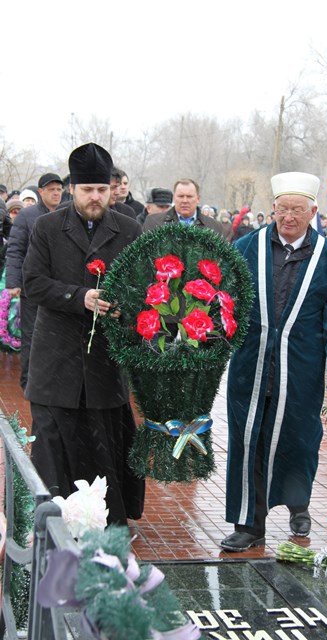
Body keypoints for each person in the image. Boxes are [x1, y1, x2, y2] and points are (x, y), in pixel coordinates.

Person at [221, 171, 327, 551]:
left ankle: (298, 504)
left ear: (313, 212)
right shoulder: (249, 247)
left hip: (301, 368)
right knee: (248, 442)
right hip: (251, 365)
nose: (290, 217)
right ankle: (248, 524)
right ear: (274, 210)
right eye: (283, 209)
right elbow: (224, 300)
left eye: (298, 210)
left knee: (299, 442)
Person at [22, 142, 144, 524]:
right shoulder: (46, 227)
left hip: (103, 364)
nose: (95, 197)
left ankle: (106, 527)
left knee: (102, 446)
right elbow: (33, 283)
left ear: (112, 189)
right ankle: (49, 526)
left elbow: (143, 288)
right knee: (53, 447)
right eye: (88, 189)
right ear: (72, 188)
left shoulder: (128, 228)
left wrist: (126, 304)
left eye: (102, 190)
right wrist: (80, 296)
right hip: (55, 362)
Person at [6, 172, 63, 390]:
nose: (56, 193)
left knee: (58, 335)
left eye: (59, 189)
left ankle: (54, 380)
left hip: (59, 288)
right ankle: (29, 381)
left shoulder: (66, 214)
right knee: (32, 335)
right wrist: (14, 282)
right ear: (41, 192)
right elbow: (16, 250)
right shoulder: (27, 216)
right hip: (33, 287)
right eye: (51, 189)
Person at [142, 178, 227, 239]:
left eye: (189, 197)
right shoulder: (154, 222)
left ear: (198, 199)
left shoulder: (214, 226)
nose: (185, 201)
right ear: (174, 198)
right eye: (181, 196)